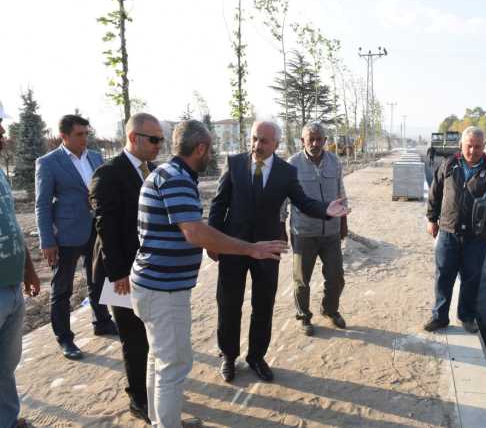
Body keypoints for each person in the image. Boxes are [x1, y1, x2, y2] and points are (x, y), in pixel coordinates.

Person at [129, 120, 288, 428]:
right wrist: (249, 249)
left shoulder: (164, 173)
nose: (212, 155)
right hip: (164, 290)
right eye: (210, 148)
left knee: (158, 359)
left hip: (153, 285)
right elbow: (195, 232)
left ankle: (159, 419)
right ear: (200, 148)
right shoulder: (176, 178)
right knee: (174, 366)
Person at [208, 120, 349, 384]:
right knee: (228, 303)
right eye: (254, 139)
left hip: (268, 249)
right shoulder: (235, 163)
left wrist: (325, 210)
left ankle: (256, 357)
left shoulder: (285, 172)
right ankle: (228, 355)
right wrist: (214, 242)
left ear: (276, 144)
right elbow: (219, 204)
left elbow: (302, 201)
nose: (256, 145)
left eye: (263, 141)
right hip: (233, 247)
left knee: (263, 305)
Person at [89, 113, 164, 424]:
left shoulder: (155, 172)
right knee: (134, 339)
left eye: (161, 139)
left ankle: (154, 392)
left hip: (151, 271)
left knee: (153, 337)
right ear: (133, 138)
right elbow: (105, 229)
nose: (159, 145)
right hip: (119, 273)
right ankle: (139, 399)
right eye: (154, 139)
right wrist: (119, 274)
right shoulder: (108, 174)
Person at [35, 114, 116, 360]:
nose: (85, 139)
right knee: (62, 289)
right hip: (66, 235)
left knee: (99, 279)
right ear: (64, 136)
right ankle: (66, 339)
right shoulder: (49, 163)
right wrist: (47, 241)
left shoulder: (95, 157)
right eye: (79, 134)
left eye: (86, 133)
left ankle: (102, 321)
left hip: (96, 230)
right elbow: (42, 204)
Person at [424, 126, 486, 334]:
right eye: (469, 146)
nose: (473, 151)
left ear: (484, 146)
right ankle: (440, 317)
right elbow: (435, 192)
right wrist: (432, 219)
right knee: (444, 275)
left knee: (471, 277)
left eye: (478, 147)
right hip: (448, 231)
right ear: (462, 145)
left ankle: (466, 316)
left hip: (476, 236)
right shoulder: (449, 164)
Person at [281, 122, 348, 336]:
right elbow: (283, 201)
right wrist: (281, 227)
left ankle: (330, 310)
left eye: (320, 139)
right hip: (303, 233)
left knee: (336, 276)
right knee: (302, 280)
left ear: (325, 141)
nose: (315, 143)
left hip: (331, 232)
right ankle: (304, 316)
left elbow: (341, 193)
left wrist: (344, 222)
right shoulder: (292, 164)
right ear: (302, 141)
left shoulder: (334, 162)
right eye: (311, 139)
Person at [0, 109, 40, 428]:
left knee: (5, 364)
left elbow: (11, 224)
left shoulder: (1, 172)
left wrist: (27, 268)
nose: (3, 132)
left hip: (11, 286)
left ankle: (8, 421)